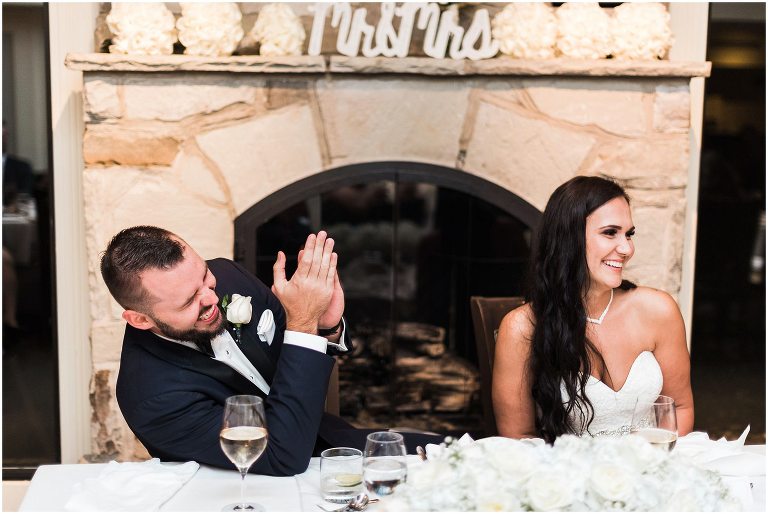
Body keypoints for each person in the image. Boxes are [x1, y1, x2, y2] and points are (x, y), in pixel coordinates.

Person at [101, 226, 440, 476]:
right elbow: (280, 456)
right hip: (245, 490)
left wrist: (324, 327)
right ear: (141, 319)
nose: (211, 299)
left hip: (330, 443)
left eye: (205, 278)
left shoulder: (228, 276)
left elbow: (298, 359)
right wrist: (304, 322)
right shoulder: (151, 397)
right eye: (190, 301)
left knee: (452, 452)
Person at [492, 176, 693, 442]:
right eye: (610, 232)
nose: (626, 248)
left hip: (650, 469)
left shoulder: (658, 310)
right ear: (568, 237)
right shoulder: (522, 327)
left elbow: (679, 408)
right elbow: (518, 437)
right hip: (569, 476)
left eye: (629, 234)